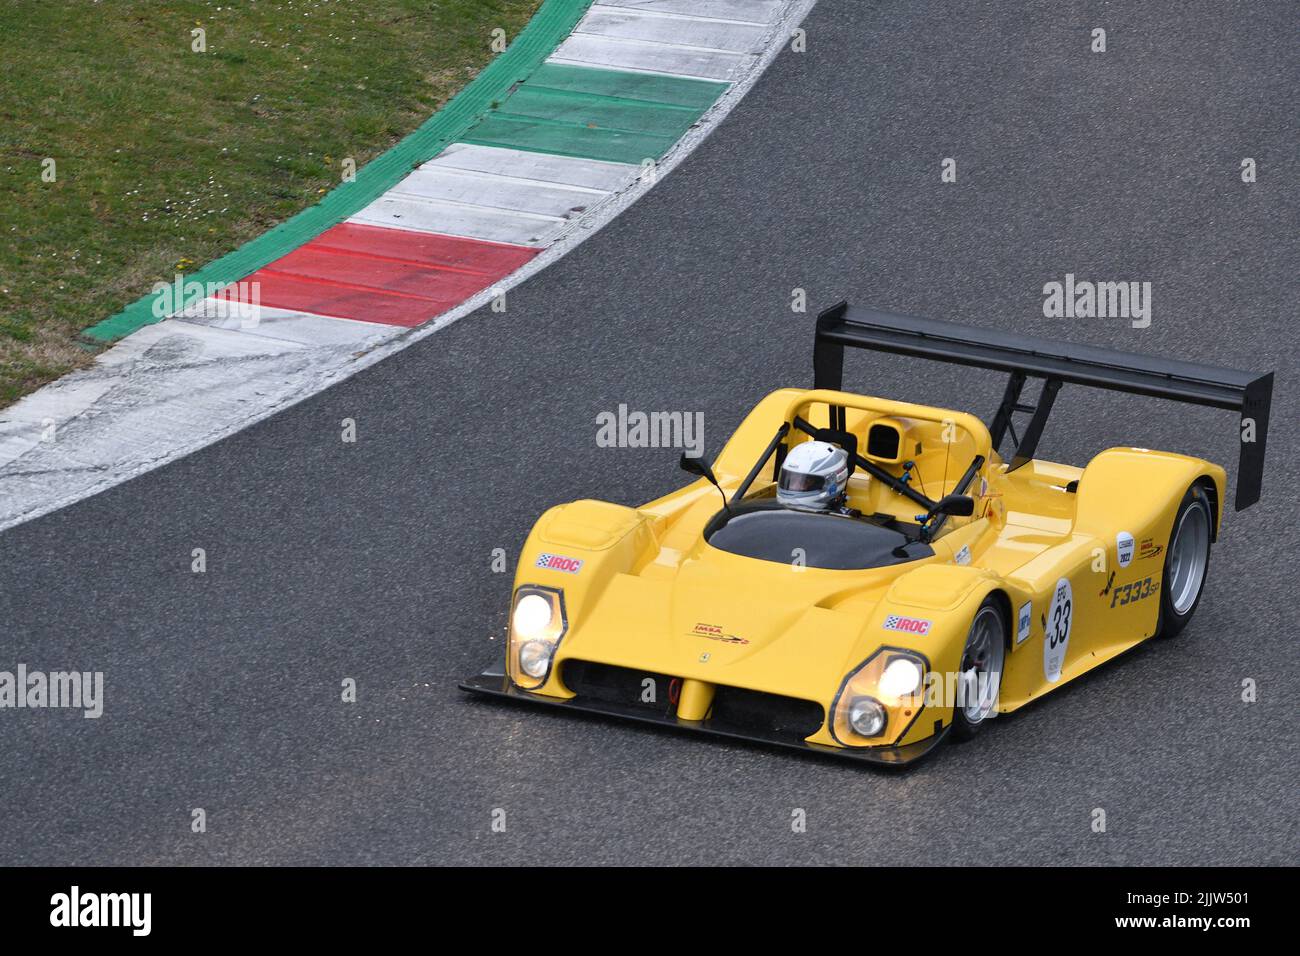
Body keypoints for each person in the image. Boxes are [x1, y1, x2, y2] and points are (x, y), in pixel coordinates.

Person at [776, 440, 852, 514]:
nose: (793, 486)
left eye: (806, 482)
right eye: (790, 480)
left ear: (831, 481)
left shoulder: (846, 524)